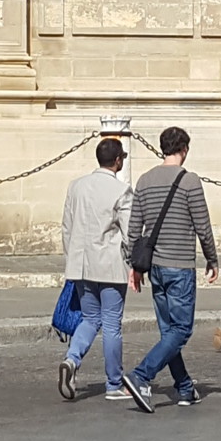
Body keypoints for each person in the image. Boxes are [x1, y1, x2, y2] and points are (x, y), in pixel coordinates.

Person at [123, 127, 218, 412]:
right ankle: (141, 375)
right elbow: (202, 225)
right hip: (180, 265)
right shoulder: (189, 181)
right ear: (184, 149)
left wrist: (134, 265)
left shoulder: (144, 180)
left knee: (169, 332)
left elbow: (133, 228)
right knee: (182, 330)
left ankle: (185, 387)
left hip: (155, 267)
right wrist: (212, 259)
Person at [57, 136, 132, 401]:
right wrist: (133, 263)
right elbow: (130, 233)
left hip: (80, 265)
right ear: (119, 160)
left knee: (90, 319)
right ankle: (113, 383)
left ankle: (72, 359)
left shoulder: (75, 186)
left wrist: (72, 258)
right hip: (110, 265)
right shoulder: (121, 191)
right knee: (112, 324)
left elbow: (66, 227)